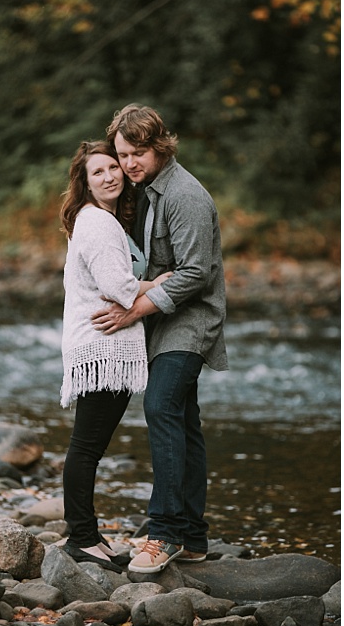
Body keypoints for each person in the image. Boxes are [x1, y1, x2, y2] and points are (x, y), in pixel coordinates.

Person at [90, 104, 228, 574]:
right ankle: (192, 537)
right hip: (165, 321)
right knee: (185, 421)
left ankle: (164, 533)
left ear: (160, 147)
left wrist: (134, 310)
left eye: (138, 153)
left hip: (191, 321)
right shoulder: (147, 190)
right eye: (123, 154)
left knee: (161, 407)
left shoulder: (185, 194)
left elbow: (195, 273)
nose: (128, 163)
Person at [56, 140, 170, 573]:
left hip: (100, 346)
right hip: (103, 347)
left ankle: (87, 534)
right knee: (86, 447)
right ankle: (81, 537)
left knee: (89, 445)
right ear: (84, 184)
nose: (110, 176)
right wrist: (161, 281)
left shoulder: (99, 220)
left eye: (113, 167)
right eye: (97, 172)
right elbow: (119, 288)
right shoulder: (98, 224)